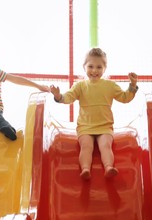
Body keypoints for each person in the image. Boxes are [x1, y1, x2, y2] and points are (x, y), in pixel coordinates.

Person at [50, 48, 138, 180]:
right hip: (85, 127)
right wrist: (58, 96)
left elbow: (125, 98)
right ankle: (85, 169)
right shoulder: (80, 86)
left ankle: (109, 167)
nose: (94, 70)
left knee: (105, 146)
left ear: (104, 69)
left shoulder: (110, 85)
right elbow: (68, 97)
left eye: (99, 67)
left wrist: (132, 85)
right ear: (84, 67)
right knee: (86, 146)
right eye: (90, 66)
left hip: (104, 127)